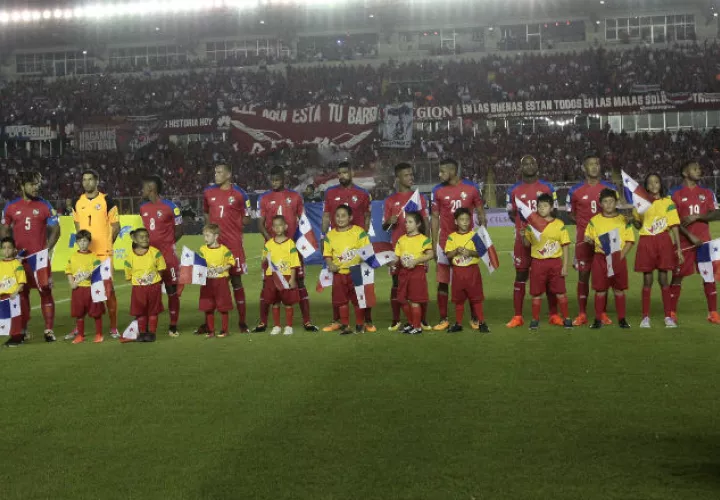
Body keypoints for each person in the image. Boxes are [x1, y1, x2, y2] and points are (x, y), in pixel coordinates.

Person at [255, 166, 317, 332]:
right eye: (272, 180)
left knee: (299, 282)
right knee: (267, 285)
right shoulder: (264, 198)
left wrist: (300, 242)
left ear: (284, 179)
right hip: (271, 249)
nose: (275, 182)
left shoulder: (295, 197)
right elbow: (260, 224)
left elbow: (303, 221)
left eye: (278, 179)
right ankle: (263, 322)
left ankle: (307, 321)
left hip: (291, 248)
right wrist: (272, 243)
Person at [0, 171, 60, 342]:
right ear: (22, 186)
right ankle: (23, 329)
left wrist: (46, 250)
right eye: (32, 184)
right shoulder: (11, 206)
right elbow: (4, 229)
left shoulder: (45, 205)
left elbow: (56, 229)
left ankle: (48, 330)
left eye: (37, 184)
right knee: (21, 294)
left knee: (45, 292)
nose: (36, 187)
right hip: (20, 260)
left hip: (39, 260)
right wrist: (10, 250)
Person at [430, 158, 486, 331]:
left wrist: (483, 234)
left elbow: (480, 212)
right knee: (442, 281)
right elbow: (434, 217)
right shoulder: (437, 190)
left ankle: (475, 318)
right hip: (445, 242)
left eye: (442, 171)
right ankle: (443, 319)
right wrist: (434, 244)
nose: (439, 175)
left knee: (469, 281)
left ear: (452, 171)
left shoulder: (471, 188)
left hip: (467, 241)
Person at [505, 155, 559, 328]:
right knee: (520, 275)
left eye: (532, 162)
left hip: (545, 240)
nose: (529, 166)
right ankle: (518, 316)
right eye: (525, 164)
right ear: (520, 168)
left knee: (550, 276)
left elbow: (555, 212)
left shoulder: (548, 188)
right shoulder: (513, 190)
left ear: (537, 165)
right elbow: (511, 214)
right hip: (522, 240)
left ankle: (553, 314)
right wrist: (524, 229)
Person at [566, 152, 617, 326]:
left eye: (597, 163)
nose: (594, 166)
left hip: (607, 238)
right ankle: (582, 313)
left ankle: (601, 313)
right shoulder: (575, 190)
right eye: (590, 164)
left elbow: (615, 212)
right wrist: (587, 229)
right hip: (584, 240)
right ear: (584, 168)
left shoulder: (610, 189)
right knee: (583, 275)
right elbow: (571, 214)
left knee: (606, 275)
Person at [321, 162, 373, 332]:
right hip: (337, 245)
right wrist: (323, 237)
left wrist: (363, 239)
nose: (341, 175)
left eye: (344, 172)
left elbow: (367, 217)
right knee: (337, 285)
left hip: (357, 243)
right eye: (339, 173)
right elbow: (327, 216)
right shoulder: (330, 193)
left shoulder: (363, 193)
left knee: (363, 285)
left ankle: (367, 321)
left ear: (351, 173)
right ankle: (338, 321)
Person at [69, 169, 120, 340]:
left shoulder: (107, 200)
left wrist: (107, 244)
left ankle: (113, 327)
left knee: (108, 290)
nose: (87, 183)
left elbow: (116, 226)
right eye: (84, 180)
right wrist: (82, 246)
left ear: (97, 181)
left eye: (90, 179)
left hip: (103, 254)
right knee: (81, 291)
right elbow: (78, 228)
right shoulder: (77, 202)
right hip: (85, 254)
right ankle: (79, 328)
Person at [668, 160, 720, 324]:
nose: (699, 170)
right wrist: (690, 236)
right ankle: (671, 312)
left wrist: (699, 217)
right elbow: (672, 220)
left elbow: (716, 214)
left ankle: (712, 313)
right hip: (684, 242)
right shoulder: (674, 193)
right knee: (677, 276)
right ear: (685, 173)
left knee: (708, 276)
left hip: (704, 243)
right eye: (695, 168)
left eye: (699, 168)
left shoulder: (707, 192)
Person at [203, 163, 251, 333]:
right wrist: (210, 231)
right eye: (215, 171)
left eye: (219, 172)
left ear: (229, 175)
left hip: (233, 245)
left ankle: (242, 322)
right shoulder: (208, 192)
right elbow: (206, 213)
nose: (216, 174)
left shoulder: (240, 194)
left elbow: (247, 217)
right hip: (214, 246)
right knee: (210, 281)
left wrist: (234, 224)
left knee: (236, 281)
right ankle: (208, 323)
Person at [631, 173, 683, 328]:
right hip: (647, 241)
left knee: (663, 279)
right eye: (650, 183)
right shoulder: (641, 203)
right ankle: (645, 317)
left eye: (656, 182)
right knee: (647, 280)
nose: (654, 185)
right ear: (646, 186)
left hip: (663, 240)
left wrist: (678, 248)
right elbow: (639, 224)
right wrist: (634, 221)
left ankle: (668, 317)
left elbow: (674, 226)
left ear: (661, 184)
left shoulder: (668, 202)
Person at [383, 162, 431, 331]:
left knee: (419, 288)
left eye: (411, 174)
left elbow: (424, 221)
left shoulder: (419, 198)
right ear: (398, 178)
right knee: (397, 285)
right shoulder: (390, 201)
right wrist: (390, 221)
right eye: (406, 175)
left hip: (417, 250)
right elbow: (384, 226)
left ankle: (422, 320)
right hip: (399, 249)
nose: (411, 177)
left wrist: (428, 245)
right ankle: (396, 319)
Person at [140, 175, 184, 337]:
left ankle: (173, 325)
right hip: (150, 258)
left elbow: (180, 230)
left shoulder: (171, 207)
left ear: (151, 188)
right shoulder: (143, 208)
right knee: (151, 291)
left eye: (144, 187)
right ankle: (150, 326)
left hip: (168, 256)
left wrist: (168, 244)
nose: (142, 191)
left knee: (172, 289)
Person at [583, 189, 634, 329]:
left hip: (618, 256)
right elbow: (588, 236)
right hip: (600, 258)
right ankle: (598, 320)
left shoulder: (623, 220)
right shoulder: (594, 221)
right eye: (605, 201)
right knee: (600, 290)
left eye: (611, 201)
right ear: (600, 204)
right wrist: (587, 239)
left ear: (616, 202)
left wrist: (621, 256)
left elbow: (630, 240)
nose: (609, 204)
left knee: (619, 289)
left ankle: (622, 319)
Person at [522, 194, 572, 331]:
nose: (542, 208)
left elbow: (566, 245)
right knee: (536, 293)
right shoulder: (532, 225)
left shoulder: (559, 224)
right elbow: (527, 244)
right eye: (539, 206)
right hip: (538, 263)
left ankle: (567, 318)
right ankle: (535, 320)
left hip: (555, 263)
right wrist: (523, 235)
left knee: (560, 292)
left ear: (551, 207)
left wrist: (565, 266)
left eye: (545, 206)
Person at [323, 204, 369, 335]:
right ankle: (345, 326)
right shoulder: (330, 235)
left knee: (358, 299)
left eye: (343, 216)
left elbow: (366, 251)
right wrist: (330, 264)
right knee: (341, 301)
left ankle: (360, 325)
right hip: (339, 274)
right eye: (337, 216)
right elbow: (327, 254)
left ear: (350, 217)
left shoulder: (359, 232)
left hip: (356, 272)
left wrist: (360, 260)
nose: (340, 218)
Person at [444, 208, 490, 333]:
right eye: (461, 220)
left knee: (476, 298)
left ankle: (482, 323)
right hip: (458, 273)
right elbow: (447, 255)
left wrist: (470, 252)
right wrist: (456, 251)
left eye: (467, 220)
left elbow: (481, 252)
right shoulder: (451, 237)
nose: (465, 222)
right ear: (456, 221)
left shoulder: (474, 235)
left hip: (472, 272)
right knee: (458, 300)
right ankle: (458, 324)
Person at [123, 228, 166, 342]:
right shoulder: (130, 256)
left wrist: (154, 280)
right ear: (135, 240)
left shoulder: (155, 252)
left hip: (153, 287)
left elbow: (161, 269)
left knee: (153, 311)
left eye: (146, 236)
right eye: (141, 237)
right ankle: (142, 333)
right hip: (138, 289)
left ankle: (151, 333)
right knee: (140, 311)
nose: (145, 239)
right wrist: (139, 281)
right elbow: (128, 274)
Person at [394, 212, 433, 335]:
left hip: (417, 272)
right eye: (406, 222)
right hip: (403, 273)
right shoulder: (401, 240)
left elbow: (431, 254)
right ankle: (412, 323)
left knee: (415, 300)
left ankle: (417, 327)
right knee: (402, 299)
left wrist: (416, 261)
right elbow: (396, 258)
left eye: (410, 222)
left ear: (418, 224)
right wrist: (388, 261)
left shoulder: (423, 239)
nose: (407, 224)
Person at [261, 215, 301, 336]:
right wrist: (264, 261)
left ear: (285, 227)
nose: (278, 228)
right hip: (272, 277)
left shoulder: (290, 244)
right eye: (275, 226)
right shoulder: (268, 244)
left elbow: (294, 262)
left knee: (288, 302)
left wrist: (293, 278)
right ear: (272, 228)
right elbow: (264, 260)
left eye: (280, 225)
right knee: (275, 302)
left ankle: (288, 326)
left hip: (286, 276)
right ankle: (277, 326)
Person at [65, 230, 106, 344]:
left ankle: (98, 334)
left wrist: (91, 275)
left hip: (91, 289)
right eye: (80, 241)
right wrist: (71, 283)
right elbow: (68, 271)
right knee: (79, 314)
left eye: (85, 241)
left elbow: (98, 273)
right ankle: (80, 335)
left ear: (89, 242)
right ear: (77, 242)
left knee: (96, 313)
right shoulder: (73, 257)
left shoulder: (94, 257)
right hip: (78, 289)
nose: (83, 243)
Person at [198, 224, 234, 338]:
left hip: (221, 282)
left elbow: (232, 262)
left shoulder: (224, 250)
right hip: (207, 282)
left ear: (216, 236)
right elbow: (199, 264)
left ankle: (224, 330)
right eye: (204, 236)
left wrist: (223, 268)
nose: (205, 238)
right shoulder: (202, 249)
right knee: (208, 307)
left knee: (223, 307)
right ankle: (211, 331)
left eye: (208, 236)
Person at [0, 237, 27, 347]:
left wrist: (16, 292)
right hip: (2, 297)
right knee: (5, 319)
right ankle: (14, 337)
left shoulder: (17, 264)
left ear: (14, 250)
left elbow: (22, 282)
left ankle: (17, 338)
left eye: (9, 248)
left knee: (15, 319)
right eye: (4, 248)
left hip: (13, 297)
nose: (6, 250)